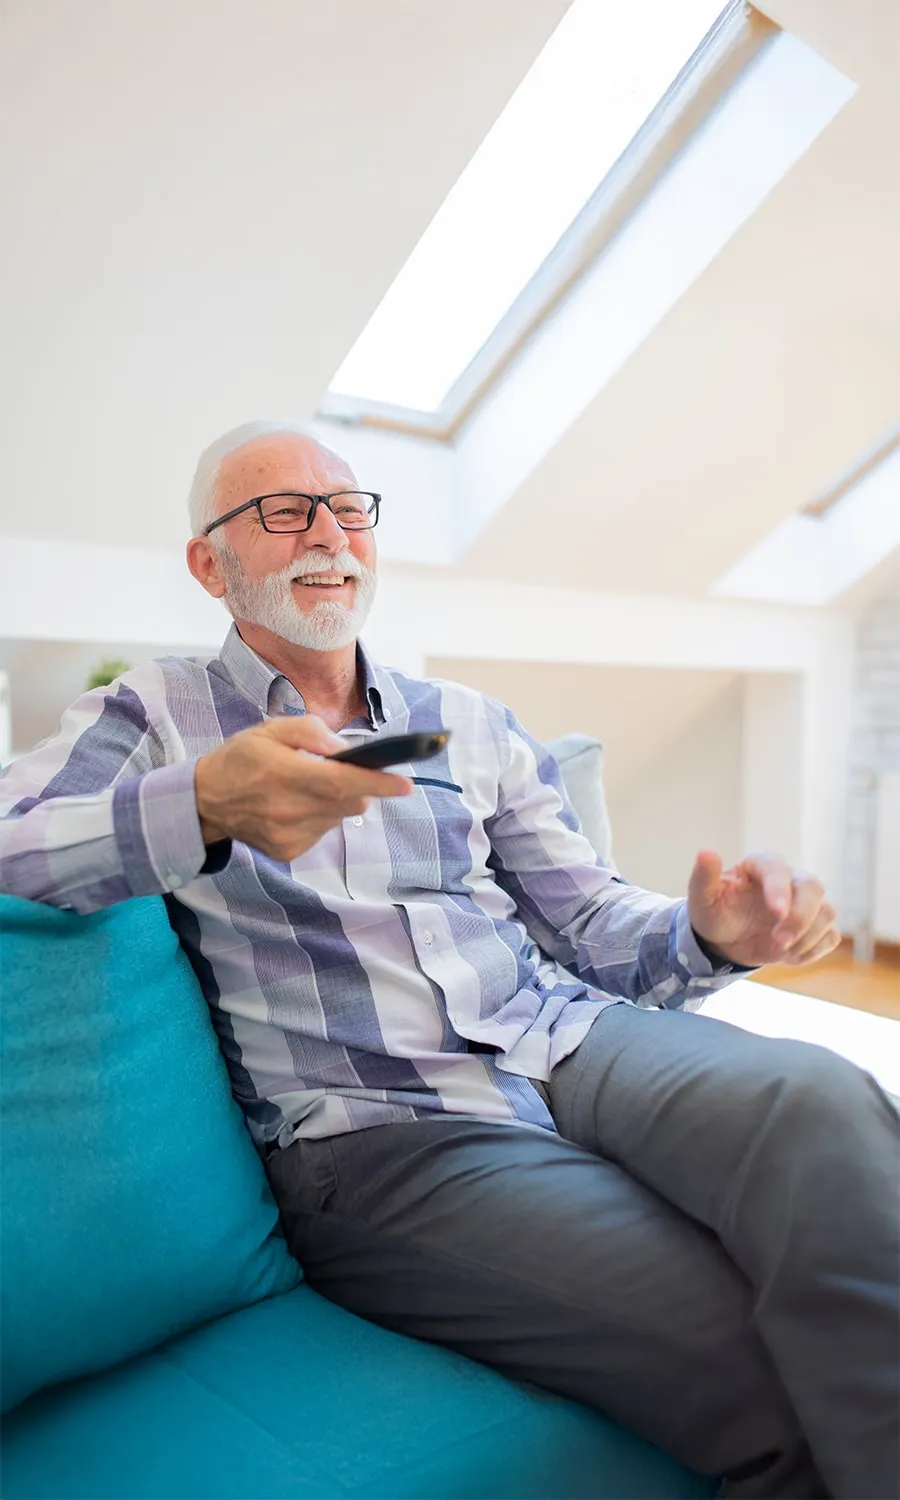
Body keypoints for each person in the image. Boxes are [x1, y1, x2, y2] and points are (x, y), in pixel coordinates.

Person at [1, 420, 896, 1500]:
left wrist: (713, 935)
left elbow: (596, 924)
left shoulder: (464, 724)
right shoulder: (158, 714)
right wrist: (203, 802)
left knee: (821, 1097)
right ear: (211, 562)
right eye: (283, 512)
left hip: (566, 1042)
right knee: (745, 1351)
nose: (328, 532)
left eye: (348, 507)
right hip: (382, 1133)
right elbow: (16, 844)